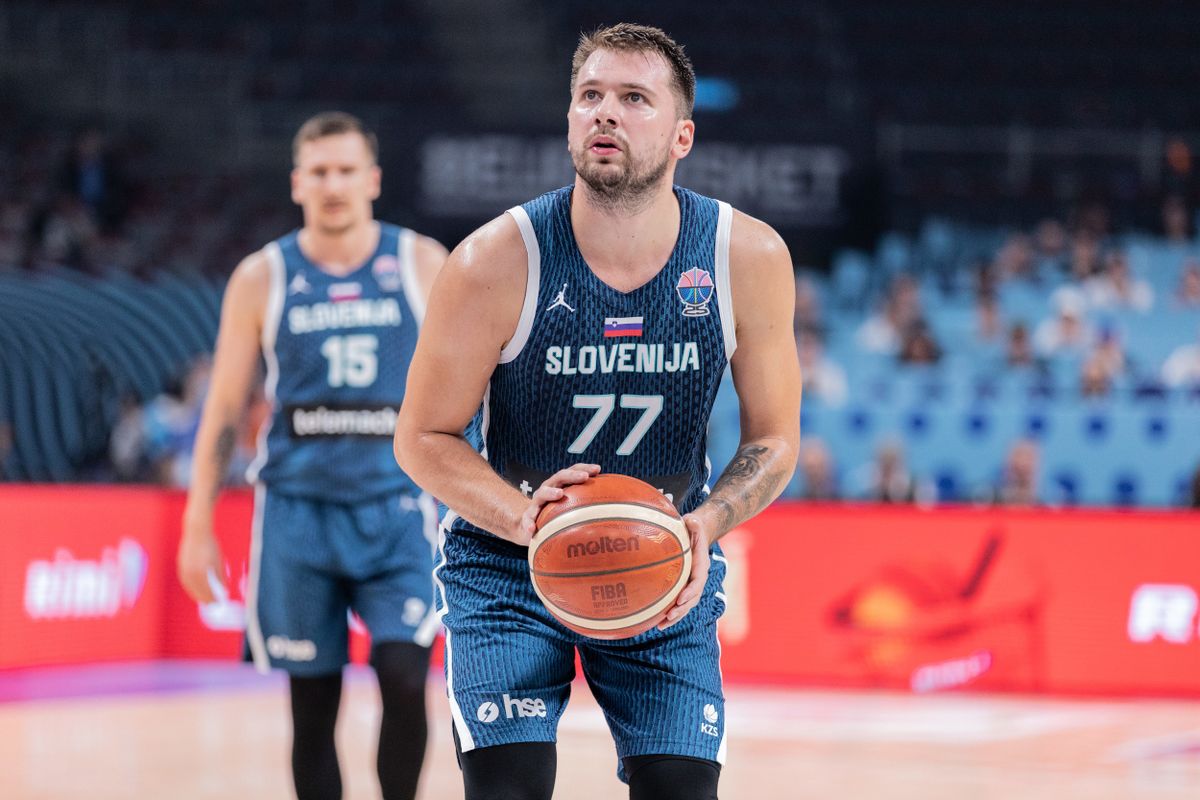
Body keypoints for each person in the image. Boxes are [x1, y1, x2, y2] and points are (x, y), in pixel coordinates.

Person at [393, 24, 801, 800]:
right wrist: (524, 519)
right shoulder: (493, 261)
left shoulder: (745, 258)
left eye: (633, 99)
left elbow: (776, 441)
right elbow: (420, 437)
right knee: (507, 788)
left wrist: (705, 527)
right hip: (506, 562)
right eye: (590, 97)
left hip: (664, 559)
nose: (605, 113)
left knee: (681, 789)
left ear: (683, 135)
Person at [176, 112, 448, 800]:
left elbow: (468, 387)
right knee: (312, 705)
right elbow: (224, 411)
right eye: (320, 172)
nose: (334, 184)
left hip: (398, 510)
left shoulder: (421, 262)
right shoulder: (262, 276)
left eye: (347, 170)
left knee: (405, 678)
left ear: (374, 180)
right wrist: (197, 523)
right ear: (298, 183)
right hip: (298, 516)